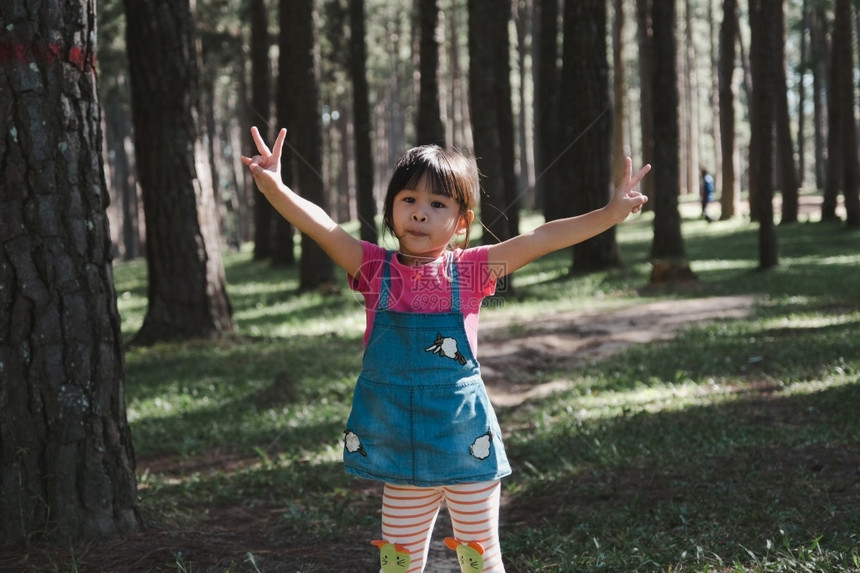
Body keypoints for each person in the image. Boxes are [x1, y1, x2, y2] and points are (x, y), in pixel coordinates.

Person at [242, 127, 650, 573]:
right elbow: (320, 226)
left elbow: (542, 238)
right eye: (409, 200)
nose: (420, 214)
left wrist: (609, 215)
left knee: (479, 560)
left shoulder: (473, 269)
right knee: (399, 564)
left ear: (461, 222)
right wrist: (276, 187)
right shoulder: (372, 268)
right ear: (391, 209)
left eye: (438, 205)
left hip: (465, 443)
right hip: (399, 446)